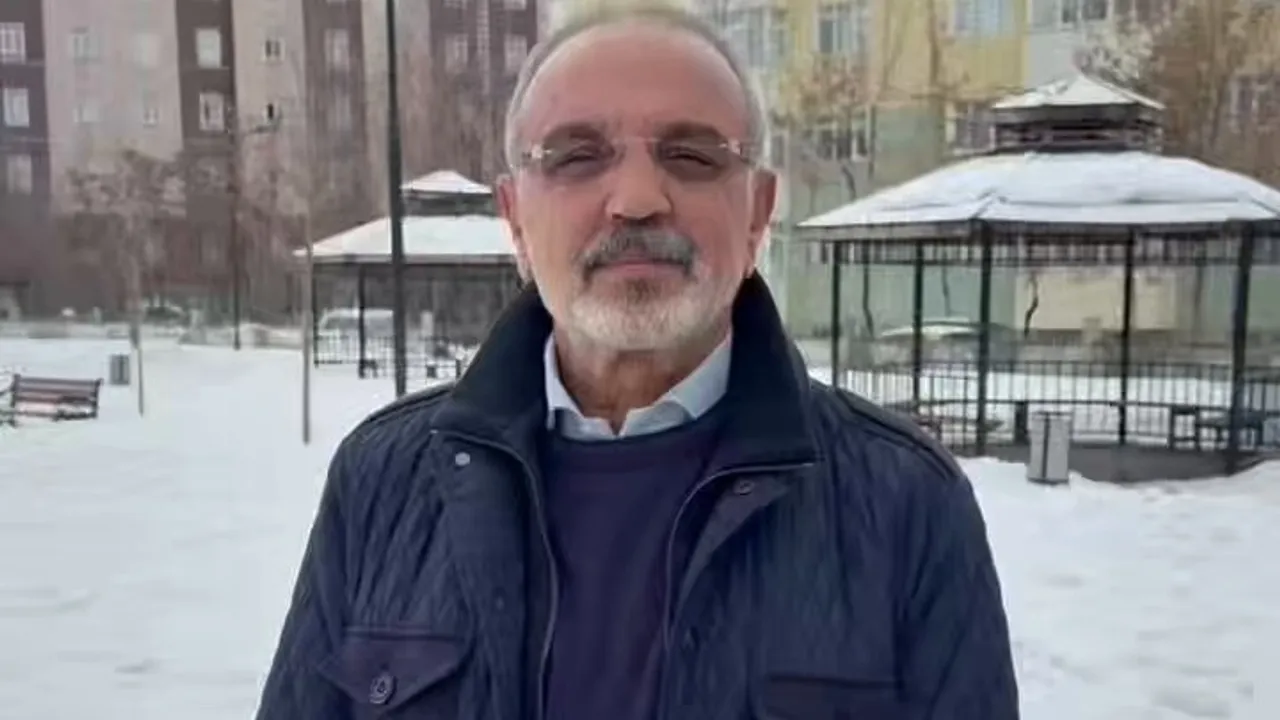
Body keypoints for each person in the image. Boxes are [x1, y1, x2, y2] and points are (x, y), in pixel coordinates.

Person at [254, 4, 1019, 720]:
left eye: (690, 155)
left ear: (757, 213)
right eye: (577, 156)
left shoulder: (906, 503)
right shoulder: (383, 480)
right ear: (515, 217)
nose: (637, 199)